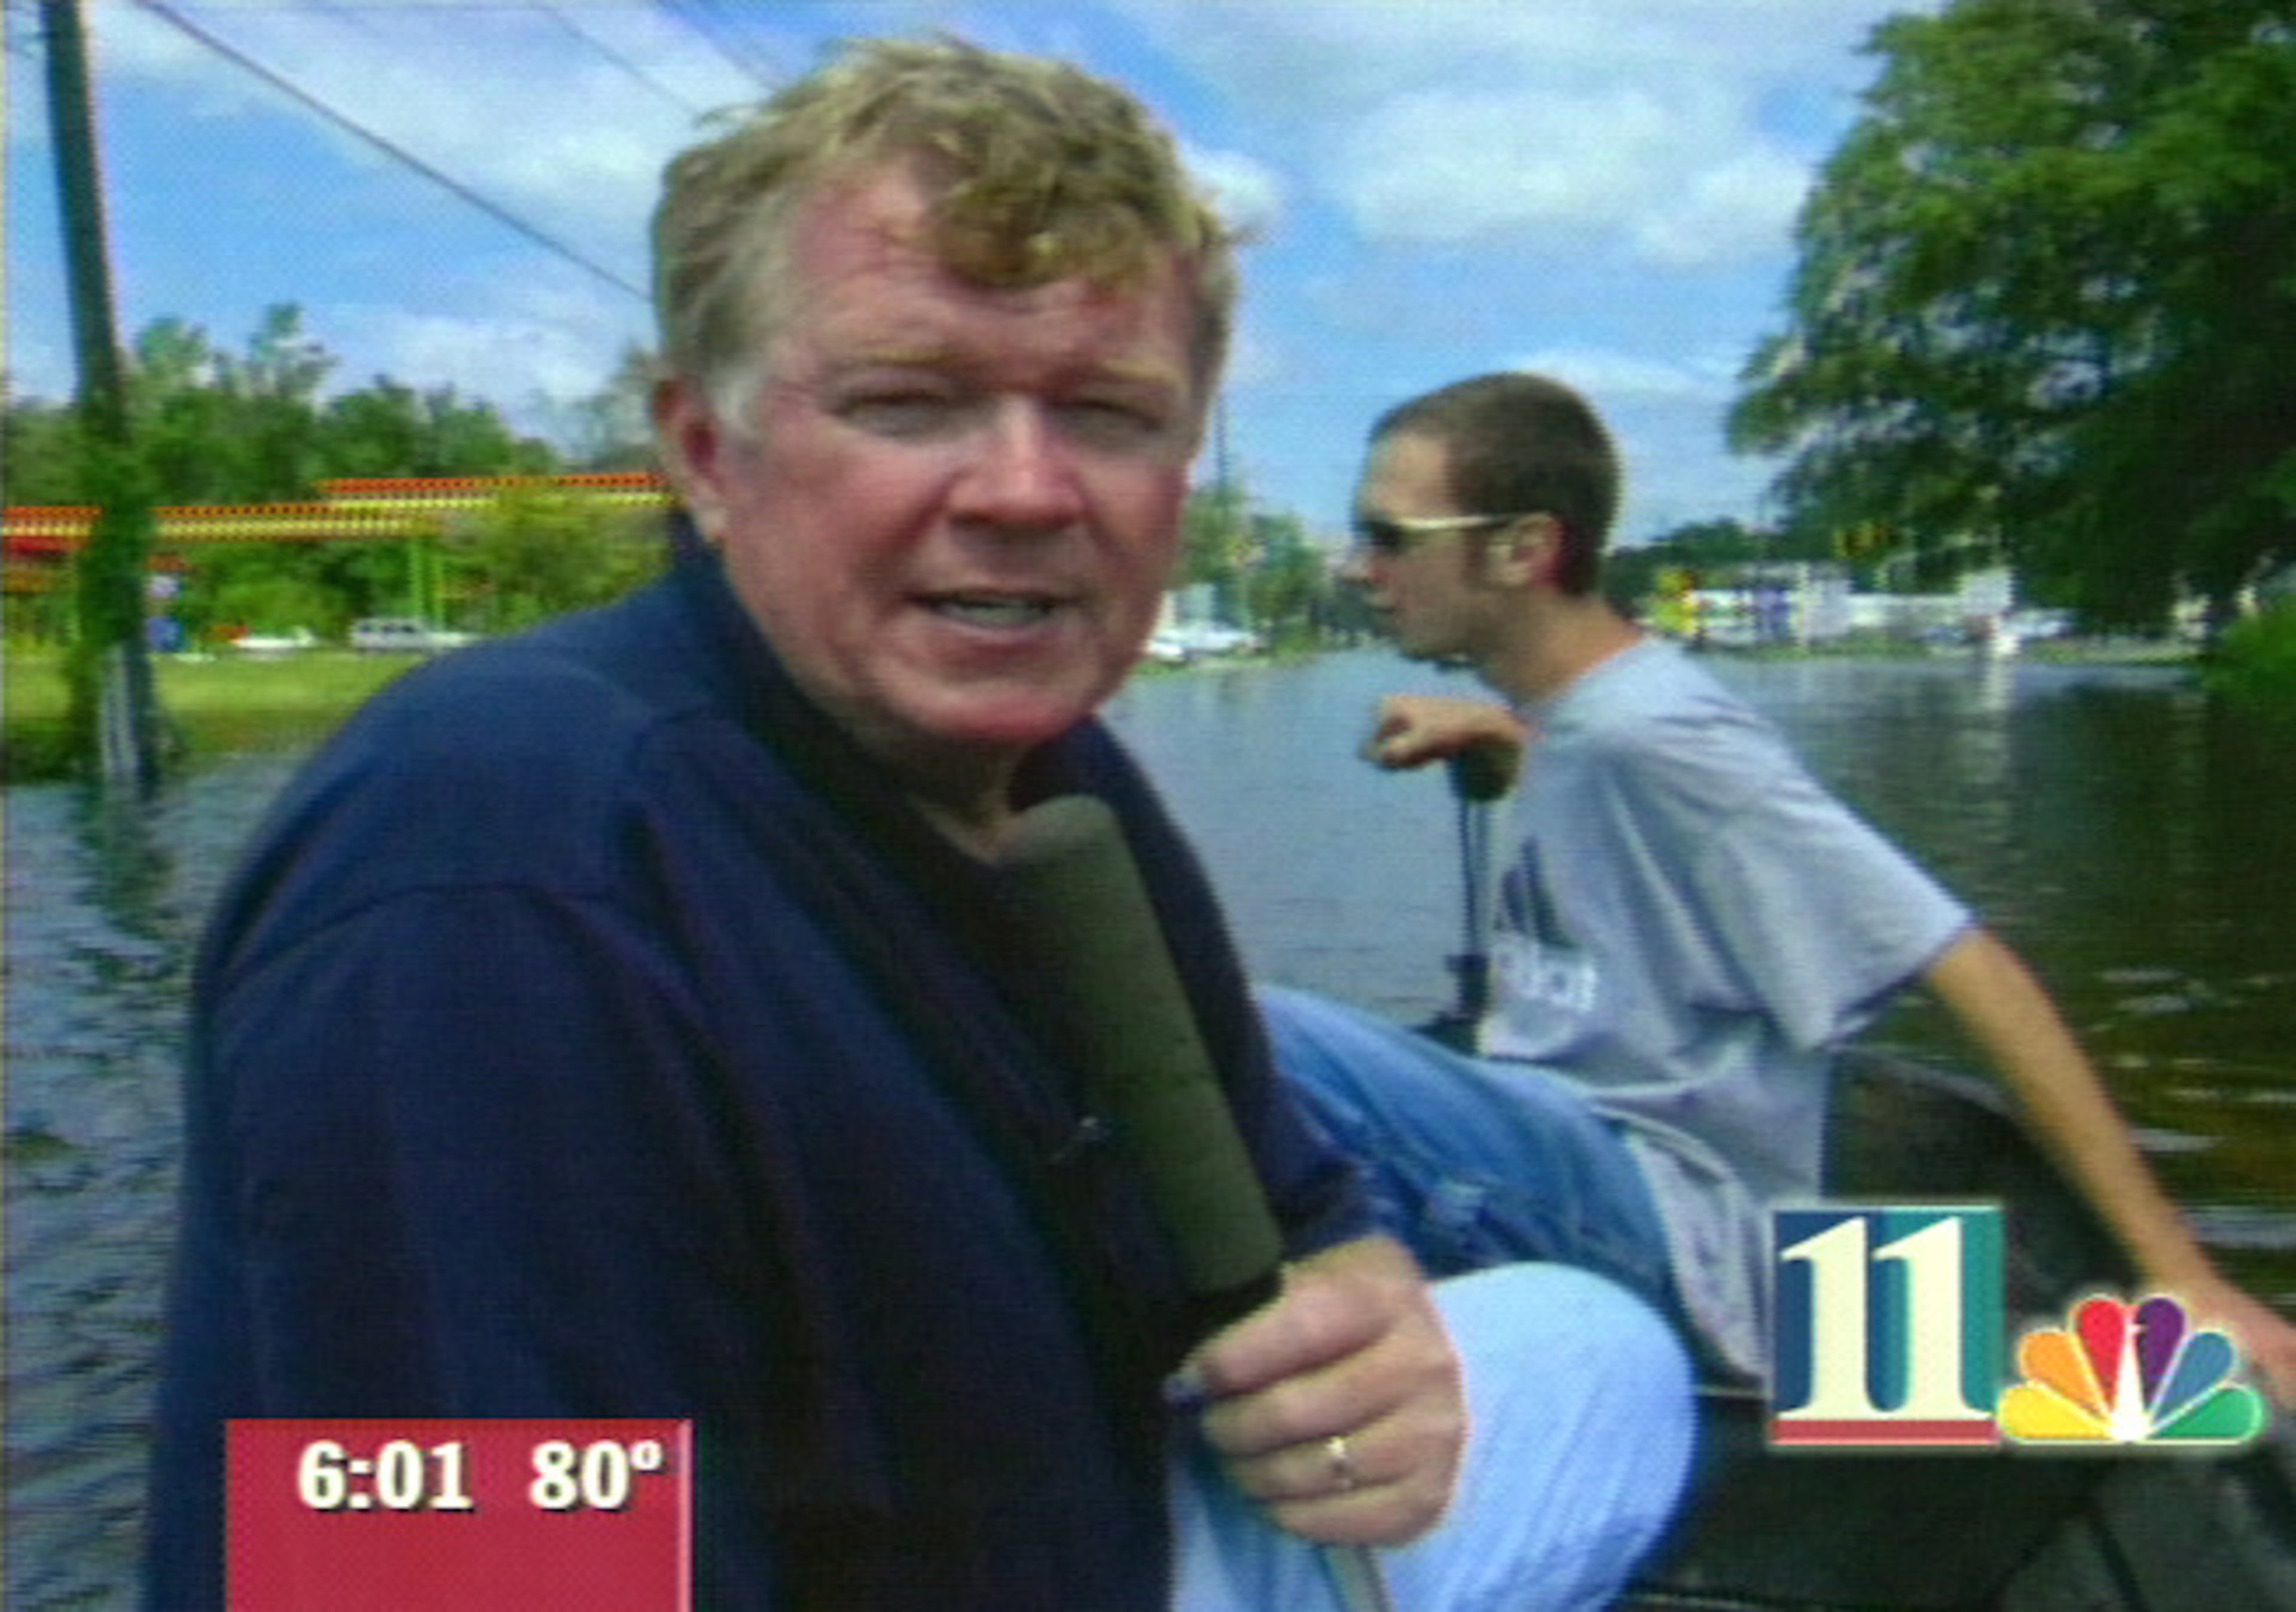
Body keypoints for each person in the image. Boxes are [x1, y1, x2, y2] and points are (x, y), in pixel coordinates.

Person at [144, 45, 1693, 1611]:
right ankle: (1917, 1389)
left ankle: (1898, 1378)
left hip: (1593, 1230)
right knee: (1676, 1335)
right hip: (1666, 1206)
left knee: (1598, 1350)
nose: (1023, 489)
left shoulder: (1054, 771)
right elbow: (459, 1576)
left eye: (1106, 413)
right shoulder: (493, 885)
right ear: (701, 451)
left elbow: (1306, 1214)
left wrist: (1361, 1341)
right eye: (907, 401)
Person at [1263, 370, 2296, 1401]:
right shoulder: (1587, 726)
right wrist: (1510, 743)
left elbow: (1970, 966)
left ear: (1525, 549)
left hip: (1676, 1223)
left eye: (1392, 538)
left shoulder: (1660, 739)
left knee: (1257, 1037)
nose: (1361, 569)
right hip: (1578, 1151)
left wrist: (2180, 1280)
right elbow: (1620, 799)